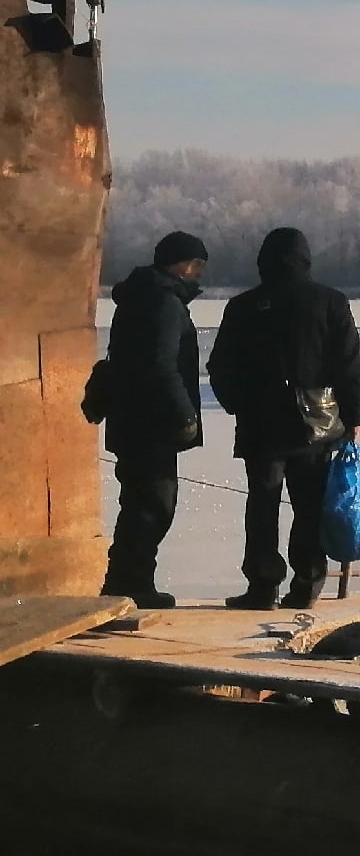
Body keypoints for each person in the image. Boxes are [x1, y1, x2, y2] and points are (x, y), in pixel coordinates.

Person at [207, 227, 360, 611]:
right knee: (309, 504)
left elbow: (220, 366)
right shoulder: (330, 302)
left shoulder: (243, 306)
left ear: (263, 261)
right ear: (306, 259)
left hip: (260, 425)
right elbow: (348, 365)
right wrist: (354, 416)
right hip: (315, 424)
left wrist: (238, 404)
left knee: (262, 504)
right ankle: (307, 583)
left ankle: (262, 586)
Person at [98, 231, 211, 608]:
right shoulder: (164, 303)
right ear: (182, 264)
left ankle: (126, 581)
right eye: (196, 265)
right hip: (151, 423)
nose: (198, 273)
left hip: (131, 419)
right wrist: (184, 415)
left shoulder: (138, 297)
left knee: (139, 502)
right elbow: (162, 366)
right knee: (154, 505)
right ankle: (131, 584)